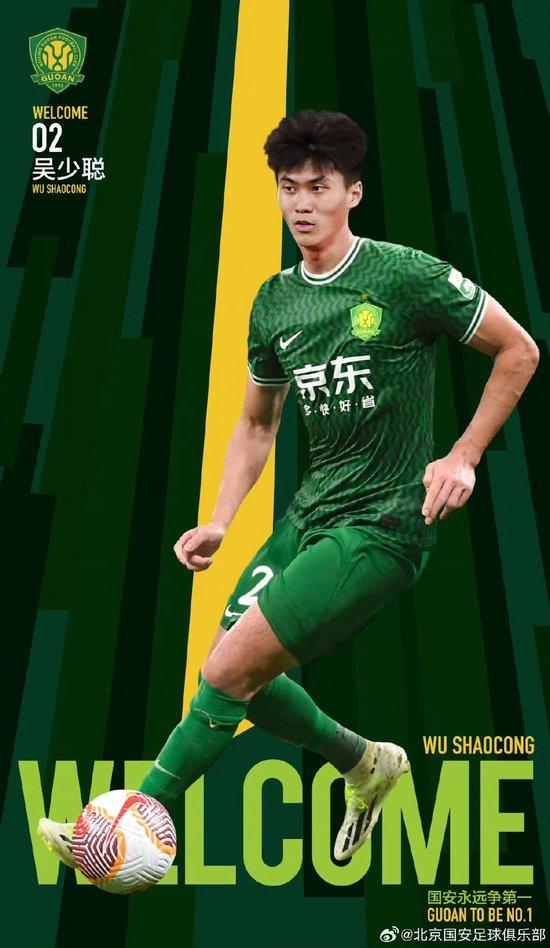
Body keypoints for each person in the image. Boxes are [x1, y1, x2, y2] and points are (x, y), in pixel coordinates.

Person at [38, 109, 539, 869]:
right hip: (310, 517)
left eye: (319, 187)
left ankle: (119, 831)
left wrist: (463, 456)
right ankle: (367, 763)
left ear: (353, 193)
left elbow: (518, 351)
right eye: (289, 188)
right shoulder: (275, 302)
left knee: (226, 673)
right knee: (234, 670)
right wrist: (221, 520)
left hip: (384, 525)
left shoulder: (404, 276)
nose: (302, 204)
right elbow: (257, 422)